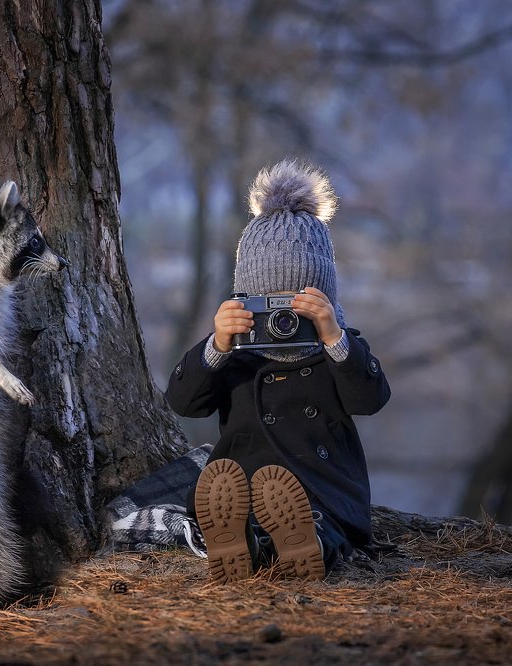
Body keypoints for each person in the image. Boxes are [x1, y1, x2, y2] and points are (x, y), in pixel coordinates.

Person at [165, 160, 391, 583]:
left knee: (322, 523)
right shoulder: (236, 354)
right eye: (268, 303)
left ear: (322, 298)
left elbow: (371, 399)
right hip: (244, 485)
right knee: (242, 510)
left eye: (295, 305)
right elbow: (183, 403)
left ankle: (308, 547)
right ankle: (242, 545)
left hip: (323, 488)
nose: (282, 318)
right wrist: (217, 345)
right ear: (244, 299)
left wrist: (333, 336)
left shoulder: (337, 348)